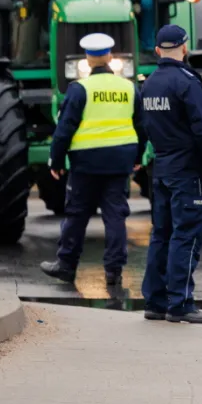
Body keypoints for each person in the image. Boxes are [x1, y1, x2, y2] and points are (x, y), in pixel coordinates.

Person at [138, 25, 202, 324]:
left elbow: (143, 126)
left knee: (160, 235)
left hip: (161, 169)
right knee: (186, 236)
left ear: (158, 50)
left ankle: (155, 301)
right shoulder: (187, 82)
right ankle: (181, 304)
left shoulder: (150, 83)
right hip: (187, 172)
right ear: (185, 48)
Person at [40, 33, 143, 287]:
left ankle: (66, 266)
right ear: (110, 56)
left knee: (76, 214)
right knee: (115, 215)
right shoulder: (129, 88)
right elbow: (142, 127)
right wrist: (138, 157)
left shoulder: (80, 89)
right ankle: (114, 272)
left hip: (85, 162)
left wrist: (56, 161)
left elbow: (64, 129)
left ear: (87, 59)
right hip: (120, 161)